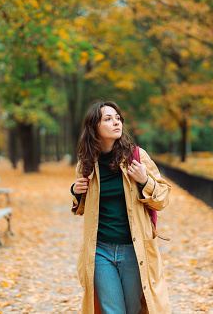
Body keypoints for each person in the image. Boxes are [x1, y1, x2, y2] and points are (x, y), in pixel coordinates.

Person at [71, 101, 172, 314]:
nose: (116, 122)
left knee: (134, 309)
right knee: (112, 311)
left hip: (135, 251)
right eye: (107, 119)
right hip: (100, 251)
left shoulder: (136, 157)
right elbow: (81, 208)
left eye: (117, 118)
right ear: (94, 128)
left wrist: (145, 181)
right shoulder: (86, 164)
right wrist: (76, 192)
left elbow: (162, 199)